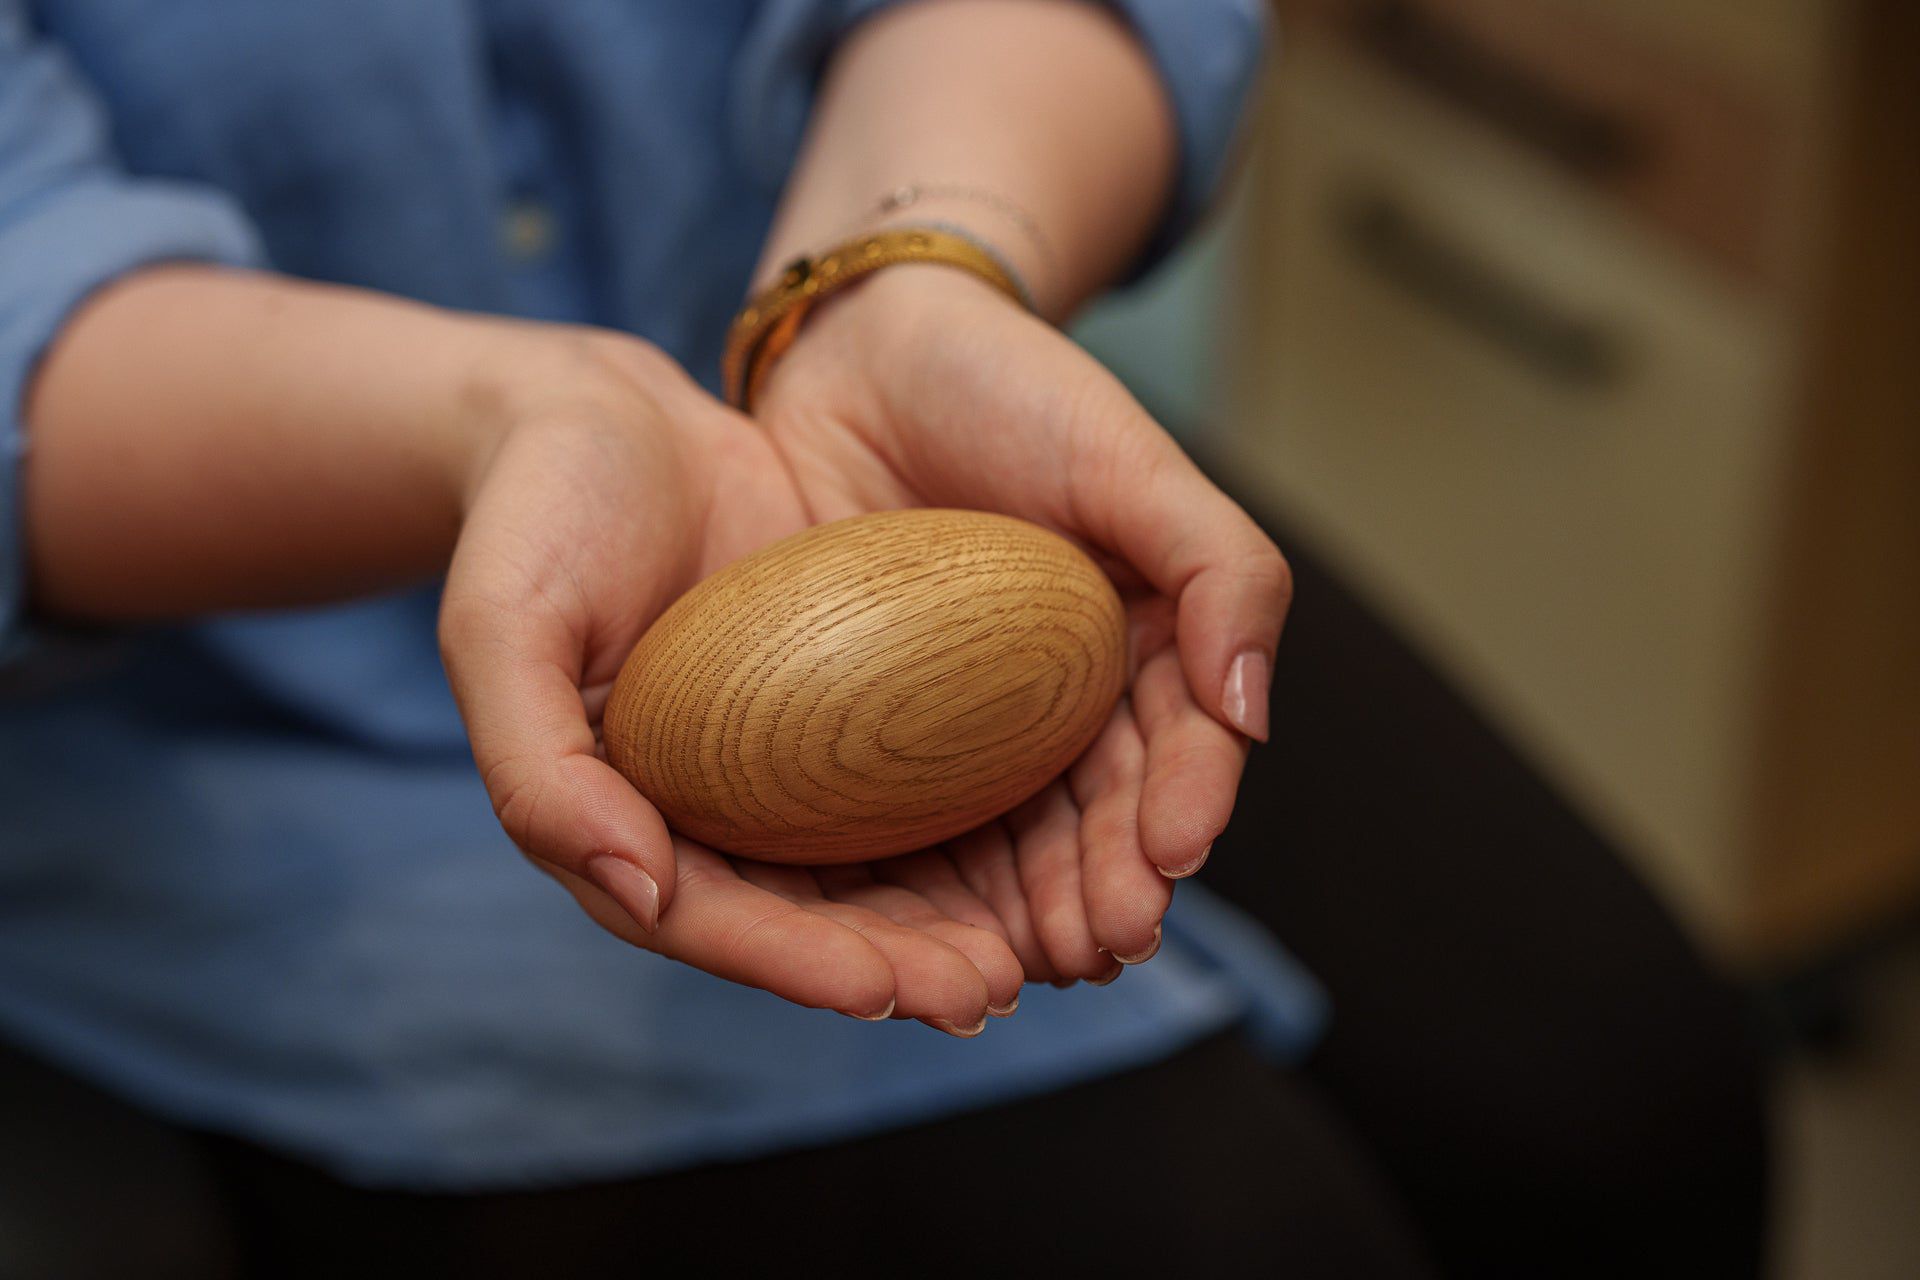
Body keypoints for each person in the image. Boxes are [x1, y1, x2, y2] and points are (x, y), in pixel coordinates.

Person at [0, 2, 1766, 1275]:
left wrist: (911, 271)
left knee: (1636, 1116)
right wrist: (511, 418)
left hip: (888, 444)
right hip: (211, 668)